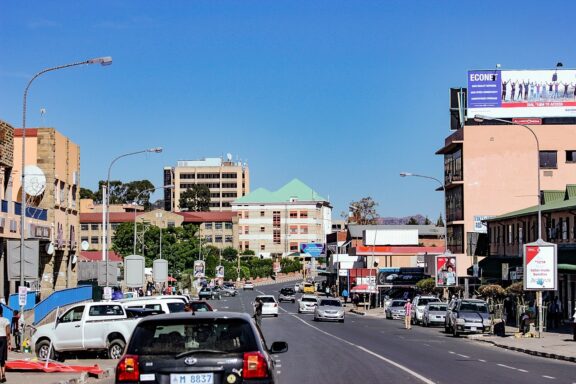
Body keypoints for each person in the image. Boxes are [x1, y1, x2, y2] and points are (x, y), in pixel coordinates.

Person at [0, 306, 10, 382]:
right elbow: (8, 333)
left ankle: (0, 376)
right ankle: (3, 374)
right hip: (3, 339)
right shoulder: (6, 320)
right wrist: (9, 342)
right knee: (2, 359)